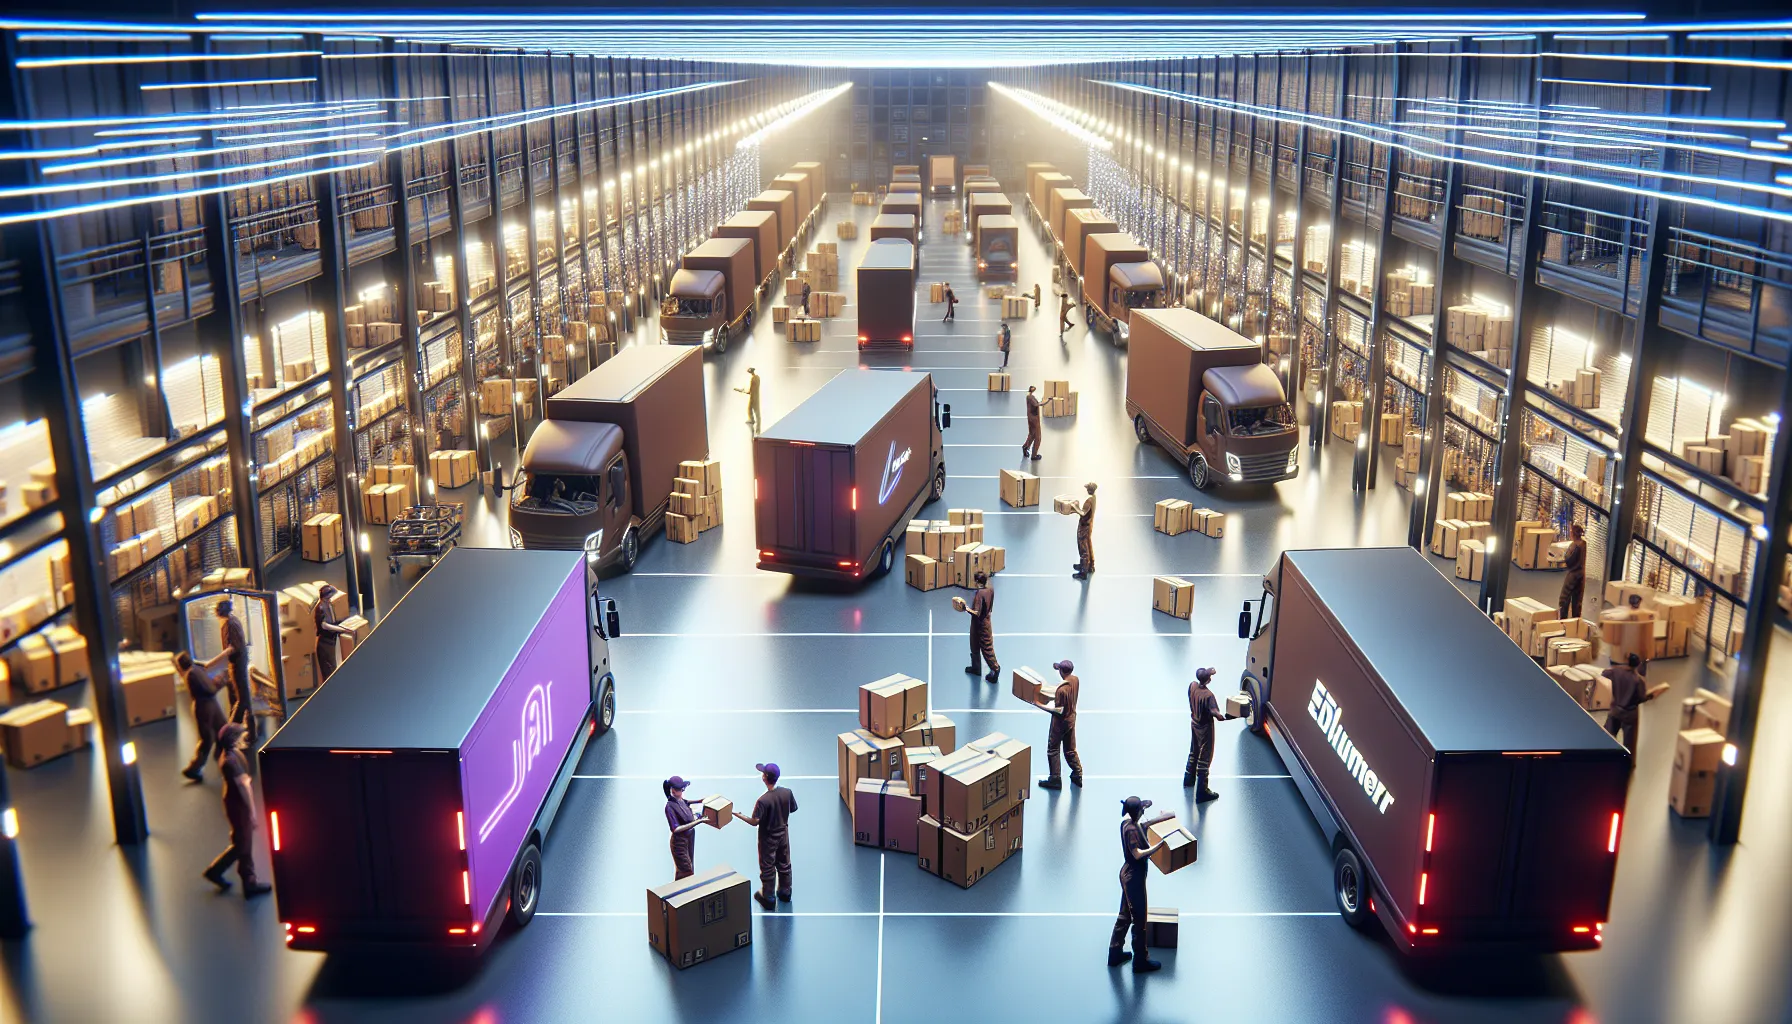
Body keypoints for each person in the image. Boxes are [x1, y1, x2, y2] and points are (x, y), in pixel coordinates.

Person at [203, 722, 272, 898]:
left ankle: (245, 878)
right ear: (234, 740)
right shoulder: (231, 761)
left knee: (242, 841)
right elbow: (244, 787)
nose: (244, 738)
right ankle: (222, 873)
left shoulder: (229, 755)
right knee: (243, 843)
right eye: (241, 736)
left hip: (233, 801)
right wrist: (253, 812)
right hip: (238, 804)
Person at [1109, 796, 1168, 974]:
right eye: (1142, 809)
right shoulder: (1132, 831)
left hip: (1127, 874)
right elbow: (1137, 854)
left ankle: (1115, 952)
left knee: (1125, 914)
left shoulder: (1127, 824)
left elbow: (1145, 825)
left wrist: (1164, 817)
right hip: (1134, 877)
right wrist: (1158, 847)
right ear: (1137, 812)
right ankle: (1141, 960)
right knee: (1140, 919)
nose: (1144, 811)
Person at [734, 762, 797, 909]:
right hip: (783, 835)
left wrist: (739, 815)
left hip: (768, 838)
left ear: (764, 778)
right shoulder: (787, 792)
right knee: (784, 864)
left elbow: (754, 821)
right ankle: (785, 892)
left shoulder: (763, 801)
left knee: (767, 867)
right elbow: (792, 808)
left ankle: (768, 897)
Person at [1184, 667, 1238, 800]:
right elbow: (1215, 713)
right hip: (1205, 728)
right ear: (1208, 680)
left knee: (1194, 751)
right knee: (1204, 758)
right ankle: (1202, 792)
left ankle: (1188, 780)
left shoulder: (1192, 686)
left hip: (1194, 723)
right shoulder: (1208, 696)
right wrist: (1229, 716)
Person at [177, 651, 227, 783]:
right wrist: (220, 682)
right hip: (204, 706)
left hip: (209, 704)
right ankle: (194, 767)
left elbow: (209, 687)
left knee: (222, 730)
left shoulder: (194, 671)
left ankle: (223, 756)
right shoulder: (193, 673)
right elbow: (209, 689)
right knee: (207, 739)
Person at [203, 599, 252, 726]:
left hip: (238, 664)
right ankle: (243, 728)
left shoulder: (230, 624)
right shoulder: (231, 621)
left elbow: (231, 648)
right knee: (237, 697)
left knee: (242, 700)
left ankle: (230, 731)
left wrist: (210, 664)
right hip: (236, 663)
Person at [1602, 653, 1664, 753]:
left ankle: (1604, 753)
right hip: (1629, 715)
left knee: (1607, 734)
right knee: (1629, 743)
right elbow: (1641, 698)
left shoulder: (1615, 672)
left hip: (1615, 710)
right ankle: (1626, 760)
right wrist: (1651, 695)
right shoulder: (1638, 680)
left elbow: (1604, 674)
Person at [1036, 659, 1082, 790]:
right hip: (1071, 718)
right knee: (1070, 749)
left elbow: (1059, 711)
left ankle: (1055, 779)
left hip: (1060, 723)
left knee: (1053, 749)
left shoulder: (1061, 691)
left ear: (1062, 671)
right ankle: (1077, 773)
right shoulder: (1075, 680)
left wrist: (1039, 705)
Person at [959, 571, 1000, 683]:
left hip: (980, 624)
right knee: (974, 644)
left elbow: (976, 613)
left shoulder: (979, 594)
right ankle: (976, 668)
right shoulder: (990, 589)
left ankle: (995, 669)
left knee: (986, 648)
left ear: (977, 582)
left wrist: (965, 608)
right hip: (985, 621)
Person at [663, 776, 704, 880]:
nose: (680, 792)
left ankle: (678, 894)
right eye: (678, 789)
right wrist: (697, 822)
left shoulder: (681, 800)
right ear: (672, 790)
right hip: (679, 842)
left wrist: (700, 801)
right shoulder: (670, 806)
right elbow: (675, 829)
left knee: (687, 868)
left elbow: (686, 802)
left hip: (689, 838)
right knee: (686, 870)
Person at [313, 584, 352, 686]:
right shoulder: (321, 608)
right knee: (329, 670)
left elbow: (333, 621)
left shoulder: (329, 605)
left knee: (333, 666)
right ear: (326, 596)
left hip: (332, 641)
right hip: (325, 642)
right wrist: (341, 629)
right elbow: (324, 625)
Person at [1558, 523, 1587, 619]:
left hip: (1573, 574)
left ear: (1573, 534)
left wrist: (1565, 555)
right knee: (1577, 600)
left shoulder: (1575, 546)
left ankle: (1563, 620)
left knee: (1564, 598)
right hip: (1581, 574)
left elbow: (1568, 560)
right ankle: (1576, 622)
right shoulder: (1584, 544)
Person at [1072, 481, 1097, 580]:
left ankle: (1083, 570)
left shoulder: (1088, 501)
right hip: (1089, 524)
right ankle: (1090, 565)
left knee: (1083, 547)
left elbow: (1082, 513)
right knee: (1088, 543)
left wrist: (1075, 506)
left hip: (1084, 525)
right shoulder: (1094, 498)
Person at [734, 367, 763, 432]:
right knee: (753, 410)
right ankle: (753, 421)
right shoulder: (758, 377)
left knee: (752, 410)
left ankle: (757, 428)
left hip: (753, 397)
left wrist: (741, 390)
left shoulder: (753, 379)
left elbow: (750, 390)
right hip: (756, 397)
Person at [1021, 385, 1043, 461]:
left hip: (1030, 417)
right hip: (1034, 419)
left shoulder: (1029, 396)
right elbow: (1037, 404)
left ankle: (1025, 447)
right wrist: (1047, 401)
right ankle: (1034, 455)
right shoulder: (1031, 397)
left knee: (1032, 434)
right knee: (1038, 437)